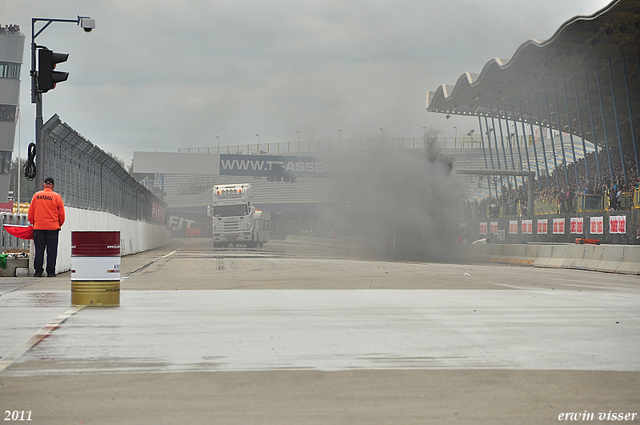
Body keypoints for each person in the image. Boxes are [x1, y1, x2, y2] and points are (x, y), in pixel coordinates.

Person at [28, 177, 65, 277]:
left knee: (39, 250)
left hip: (39, 227)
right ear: (52, 186)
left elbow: (31, 212)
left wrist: (34, 223)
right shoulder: (57, 197)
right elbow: (61, 214)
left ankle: (38, 271)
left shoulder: (36, 196)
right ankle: (51, 272)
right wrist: (59, 224)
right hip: (53, 228)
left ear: (43, 185)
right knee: (52, 250)